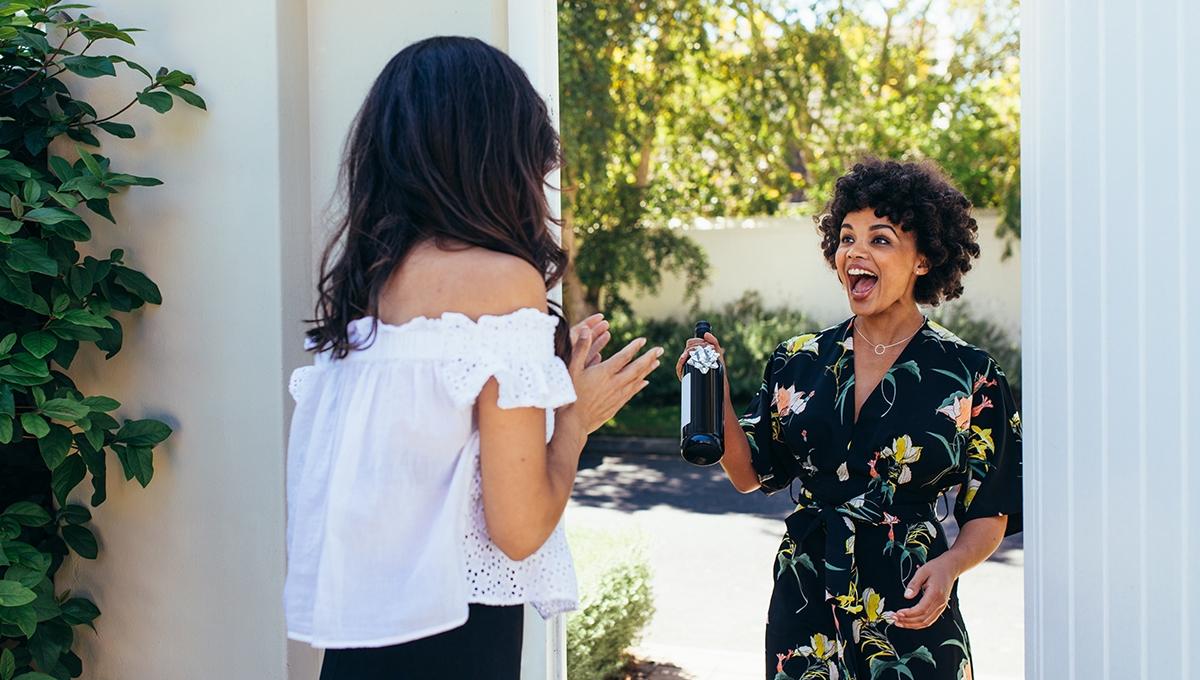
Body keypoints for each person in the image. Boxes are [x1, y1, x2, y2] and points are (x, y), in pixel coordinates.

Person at [284, 36, 662, 680]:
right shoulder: (500, 282)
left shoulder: (367, 283)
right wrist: (573, 419)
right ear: (498, 153)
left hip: (361, 647)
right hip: (453, 644)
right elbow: (517, 533)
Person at [677, 158, 1022, 680]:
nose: (855, 253)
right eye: (846, 237)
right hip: (807, 594)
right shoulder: (798, 360)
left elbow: (989, 510)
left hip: (911, 598)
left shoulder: (971, 376)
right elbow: (749, 474)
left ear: (923, 260)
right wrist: (717, 394)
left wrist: (950, 568)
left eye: (880, 240)